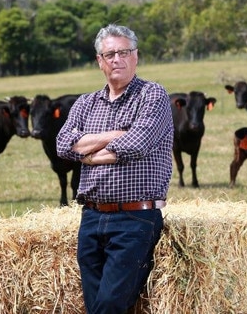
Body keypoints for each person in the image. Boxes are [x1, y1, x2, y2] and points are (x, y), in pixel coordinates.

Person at [56, 24, 174, 314]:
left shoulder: (152, 95)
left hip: (135, 219)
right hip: (92, 218)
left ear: (136, 57)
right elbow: (63, 145)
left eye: (124, 52)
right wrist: (117, 133)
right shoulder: (85, 103)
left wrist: (89, 154)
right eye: (109, 54)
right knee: (96, 304)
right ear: (100, 61)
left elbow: (138, 143)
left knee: (109, 305)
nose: (116, 59)